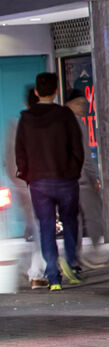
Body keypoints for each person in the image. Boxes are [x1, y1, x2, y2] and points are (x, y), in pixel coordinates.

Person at [14, 73, 84, 291]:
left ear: (36, 92)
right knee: (70, 221)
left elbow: (20, 152)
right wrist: (74, 171)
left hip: (39, 182)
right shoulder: (65, 115)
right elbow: (77, 147)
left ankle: (53, 276)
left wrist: (28, 176)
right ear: (56, 91)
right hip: (65, 179)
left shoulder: (26, 118)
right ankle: (70, 260)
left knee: (46, 227)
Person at [7, 86, 47, 288]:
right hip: (40, 183)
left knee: (38, 227)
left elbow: (10, 160)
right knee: (40, 227)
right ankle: (36, 272)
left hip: (28, 185)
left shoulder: (17, 125)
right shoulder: (46, 123)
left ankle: (34, 270)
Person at [66, 90, 106, 259]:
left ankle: (73, 257)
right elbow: (85, 155)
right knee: (93, 215)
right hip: (81, 179)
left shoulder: (59, 123)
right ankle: (96, 252)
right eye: (80, 103)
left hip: (66, 180)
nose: (84, 106)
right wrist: (94, 177)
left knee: (74, 219)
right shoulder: (77, 123)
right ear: (70, 104)